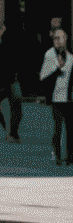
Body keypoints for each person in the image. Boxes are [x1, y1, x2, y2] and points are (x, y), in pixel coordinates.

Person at [40, 28, 73, 166]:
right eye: (54, 38)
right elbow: (43, 77)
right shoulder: (49, 54)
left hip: (69, 98)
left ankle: (70, 157)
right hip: (56, 98)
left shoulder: (70, 56)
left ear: (65, 39)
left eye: (59, 38)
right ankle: (58, 156)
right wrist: (57, 71)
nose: (56, 41)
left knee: (70, 129)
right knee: (58, 128)